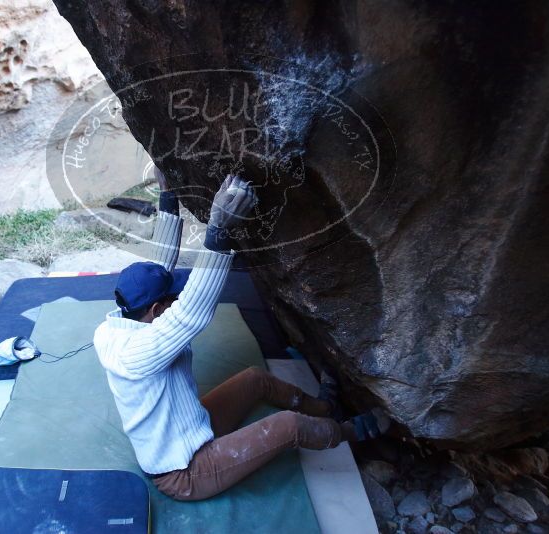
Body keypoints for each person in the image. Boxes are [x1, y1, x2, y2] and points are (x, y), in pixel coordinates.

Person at [93, 167, 389, 501]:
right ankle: (348, 432)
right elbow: (190, 314)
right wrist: (217, 230)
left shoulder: (117, 322)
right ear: (158, 311)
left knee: (253, 379)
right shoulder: (137, 352)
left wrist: (169, 196)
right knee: (289, 425)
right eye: (171, 299)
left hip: (192, 428)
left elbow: (159, 271)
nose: (178, 297)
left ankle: (324, 408)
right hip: (184, 471)